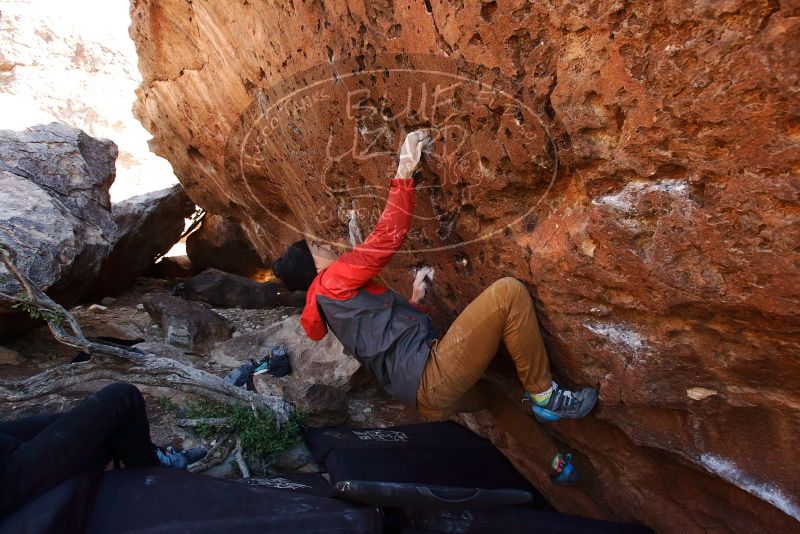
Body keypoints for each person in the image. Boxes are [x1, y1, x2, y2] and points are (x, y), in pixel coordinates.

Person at [272, 130, 598, 485]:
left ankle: (555, 464)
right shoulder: (332, 279)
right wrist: (404, 171)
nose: (327, 245)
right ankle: (545, 394)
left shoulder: (327, 304)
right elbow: (387, 238)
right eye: (318, 246)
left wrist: (412, 301)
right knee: (509, 293)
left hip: (427, 400)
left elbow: (382, 338)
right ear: (314, 264)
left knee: (495, 400)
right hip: (432, 377)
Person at [0, 382, 205, 521]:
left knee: (71, 421)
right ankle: (154, 475)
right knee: (124, 396)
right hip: (8, 477)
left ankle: (149, 454)